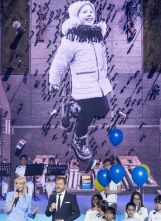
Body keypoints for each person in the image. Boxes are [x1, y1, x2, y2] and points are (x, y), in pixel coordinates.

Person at [49, 1, 112, 160]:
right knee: (87, 115)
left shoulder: (98, 35)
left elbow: (102, 59)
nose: (90, 14)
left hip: (98, 84)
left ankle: (72, 109)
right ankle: (79, 140)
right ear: (77, 17)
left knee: (104, 111)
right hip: (84, 86)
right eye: (85, 12)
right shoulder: (71, 38)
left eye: (91, 11)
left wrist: (104, 75)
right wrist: (54, 80)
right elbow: (60, 60)